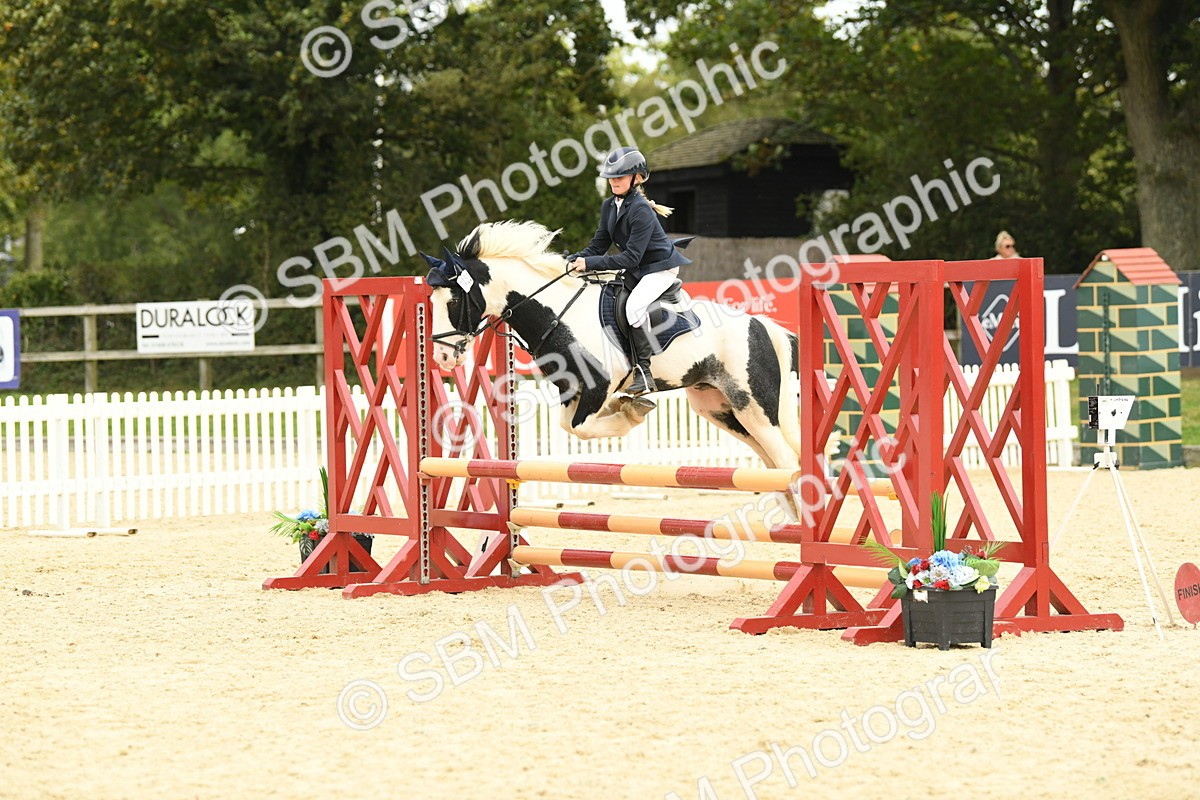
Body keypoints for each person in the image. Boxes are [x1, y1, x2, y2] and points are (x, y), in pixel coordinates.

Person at [567, 146, 691, 396]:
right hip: (639, 269)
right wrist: (572, 259)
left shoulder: (641, 210)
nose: (614, 182)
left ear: (637, 178)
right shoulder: (608, 206)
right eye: (611, 177)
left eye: (620, 177)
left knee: (633, 306)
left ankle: (644, 373)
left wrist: (589, 265)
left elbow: (631, 257)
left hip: (659, 269)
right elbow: (598, 246)